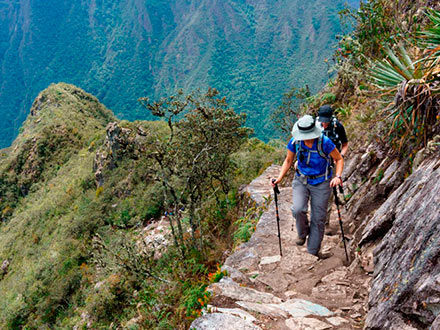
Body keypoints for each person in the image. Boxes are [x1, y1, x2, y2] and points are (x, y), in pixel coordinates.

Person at [272, 115, 343, 259]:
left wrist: (338, 176)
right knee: (298, 209)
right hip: (301, 180)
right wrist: (280, 178)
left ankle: (313, 251)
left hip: (322, 182)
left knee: (318, 218)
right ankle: (302, 233)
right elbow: (288, 160)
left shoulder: (325, 142)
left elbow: (339, 158)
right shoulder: (295, 142)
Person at [317, 105, 349, 235]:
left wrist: (340, 157)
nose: (324, 124)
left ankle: (326, 223)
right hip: (318, 162)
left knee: (329, 193)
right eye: (322, 121)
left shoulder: (338, 126)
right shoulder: (315, 126)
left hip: (333, 161)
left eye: (326, 121)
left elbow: (345, 144)